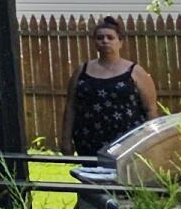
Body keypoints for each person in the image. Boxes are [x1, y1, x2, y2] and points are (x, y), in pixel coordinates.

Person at [66, 16, 161, 159]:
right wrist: (65, 139)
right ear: (94, 42)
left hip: (128, 140)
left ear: (120, 42)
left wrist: (152, 141)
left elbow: (150, 109)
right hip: (88, 139)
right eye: (100, 38)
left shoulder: (135, 71)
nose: (105, 41)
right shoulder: (82, 70)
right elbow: (71, 106)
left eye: (110, 37)